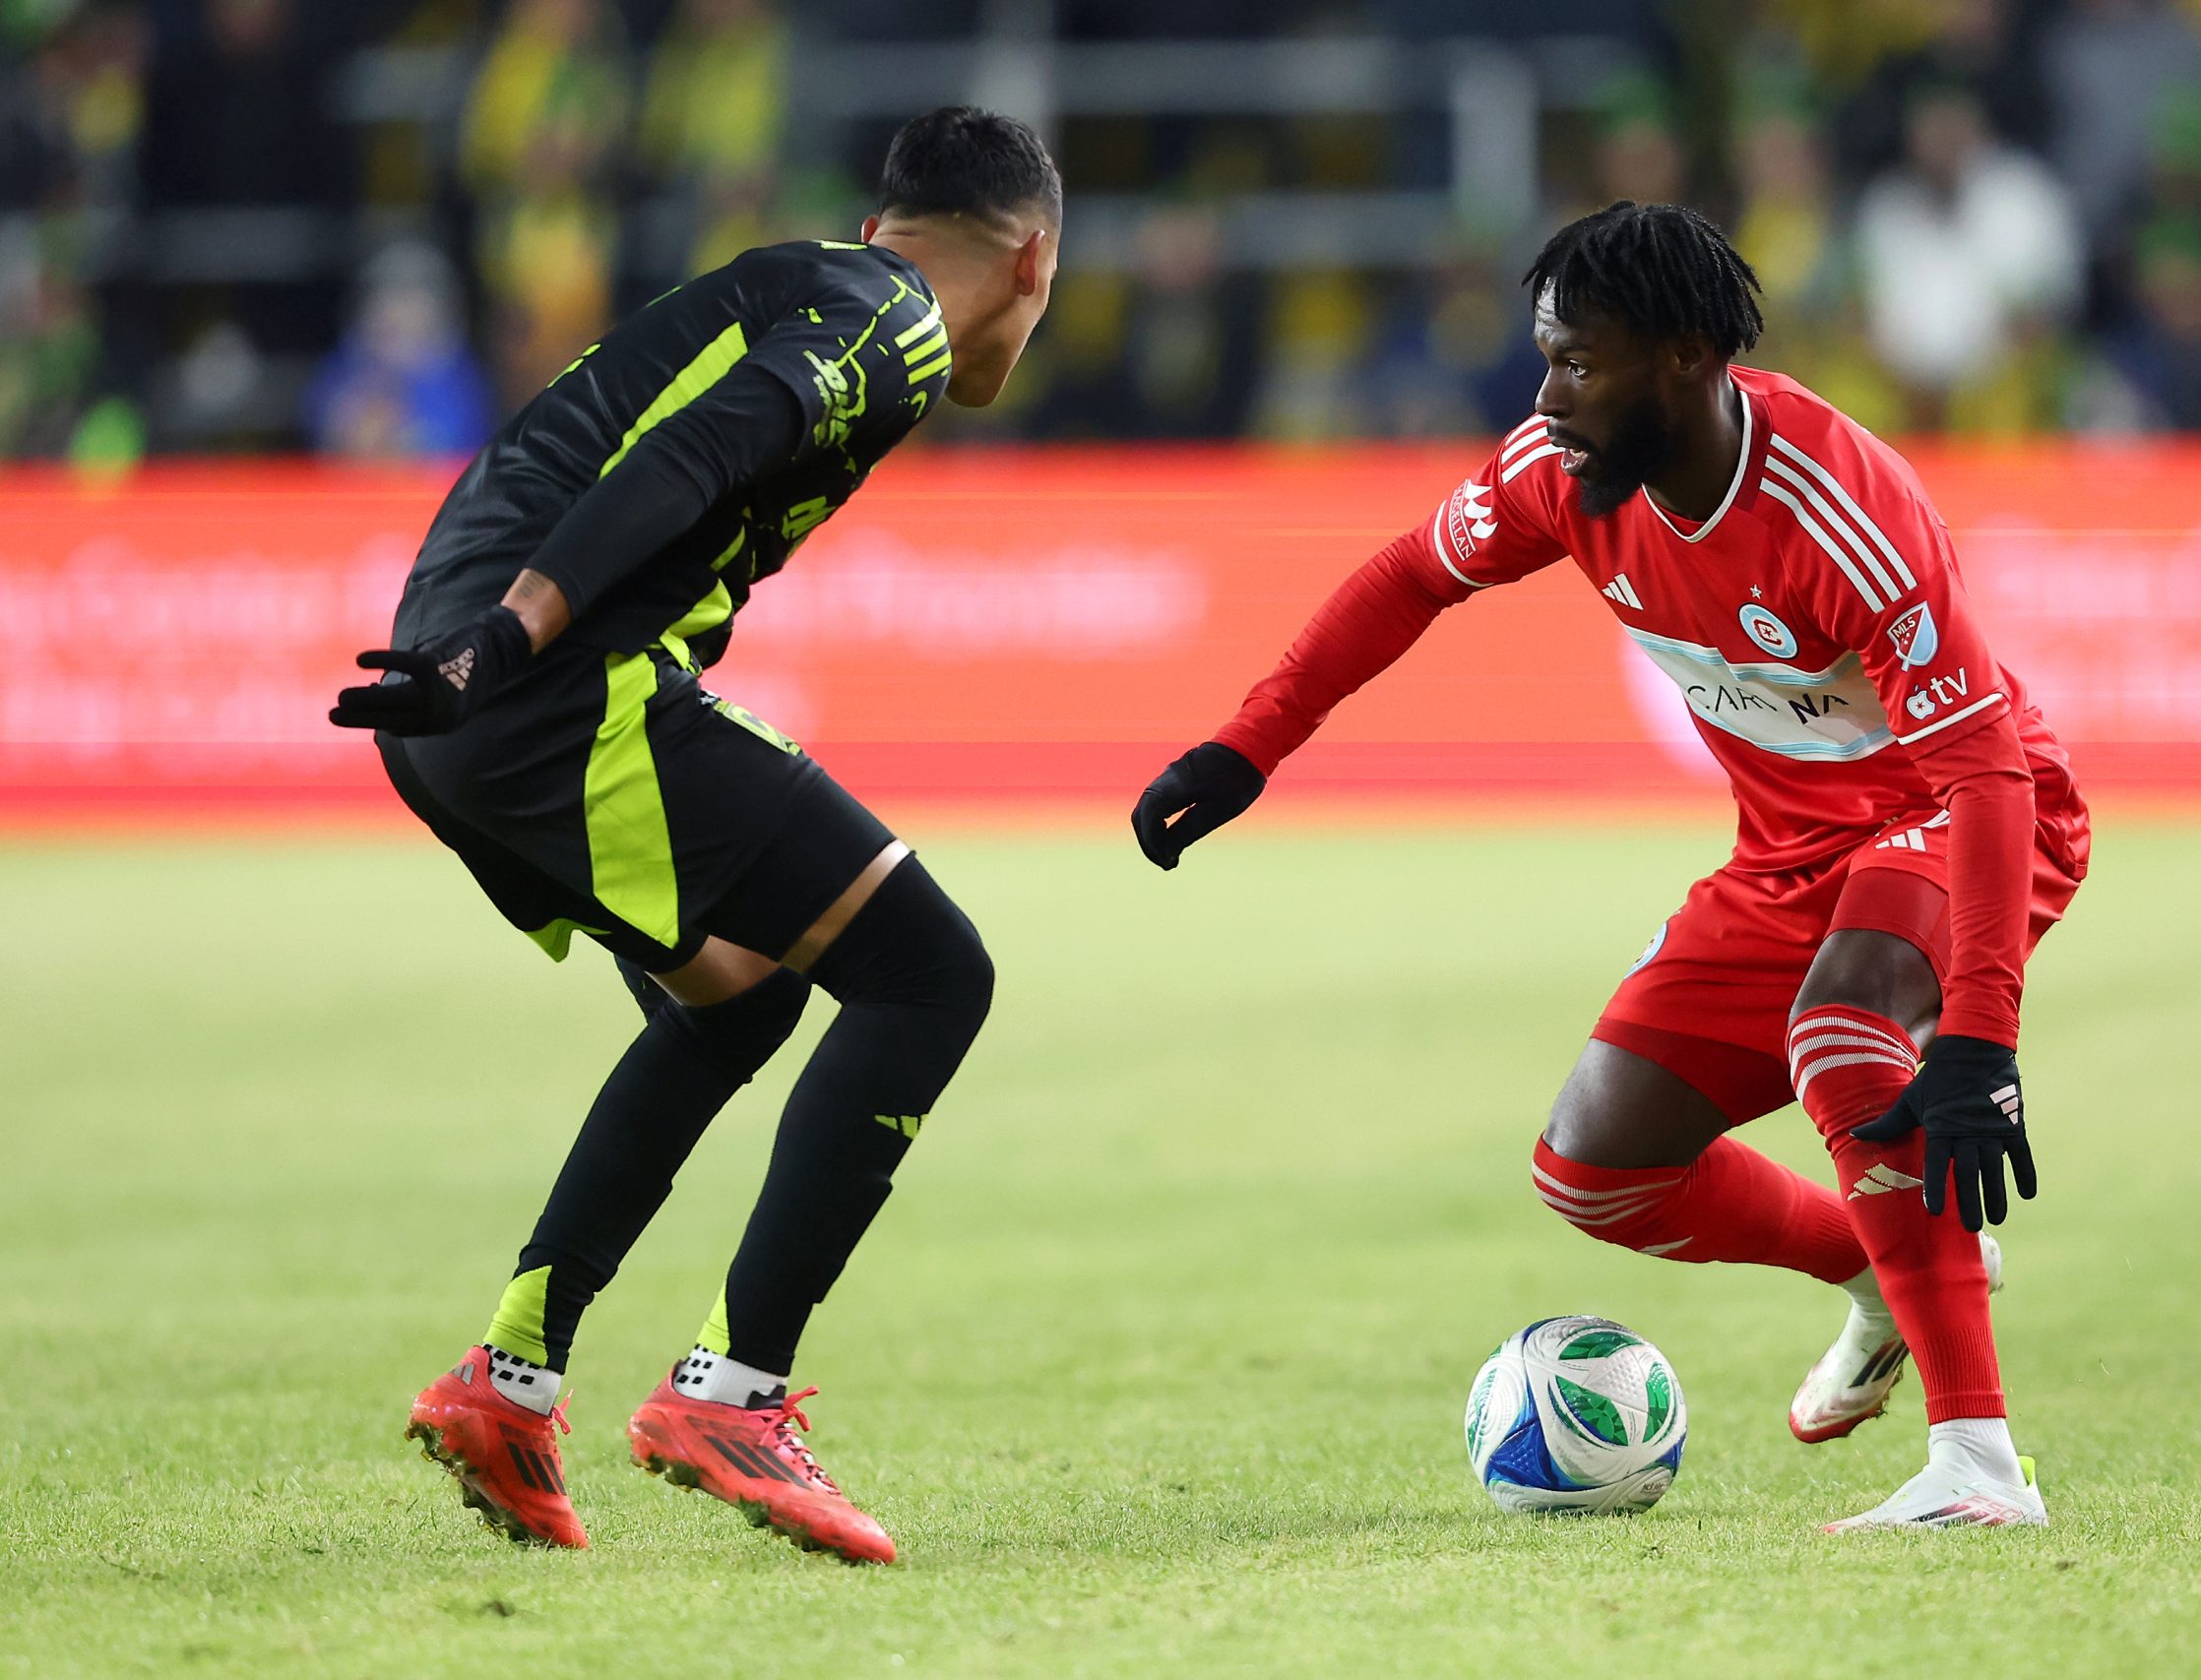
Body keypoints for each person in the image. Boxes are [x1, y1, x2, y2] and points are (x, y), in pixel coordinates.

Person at [1133, 201, 2090, 1531]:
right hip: (1791, 852)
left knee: (1844, 1030)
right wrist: (1252, 744)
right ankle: (1888, 1266)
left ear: (1685, 356)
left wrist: (1981, 1038)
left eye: (1579, 362)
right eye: (1548, 357)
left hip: (1963, 812)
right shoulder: (1561, 471)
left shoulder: (1837, 506)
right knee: (1595, 1167)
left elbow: (1985, 773)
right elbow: (1410, 575)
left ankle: (1977, 1464)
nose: (1546, 396)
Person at [329, 107, 1060, 1562]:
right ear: (1032, 260)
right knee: (931, 972)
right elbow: (697, 454)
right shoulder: (899, 322)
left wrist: (475, 650)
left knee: (741, 995)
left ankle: (509, 1379)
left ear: (880, 220)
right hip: (545, 685)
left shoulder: (808, 279)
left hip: (456, 699)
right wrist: (511, 640)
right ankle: (733, 1396)